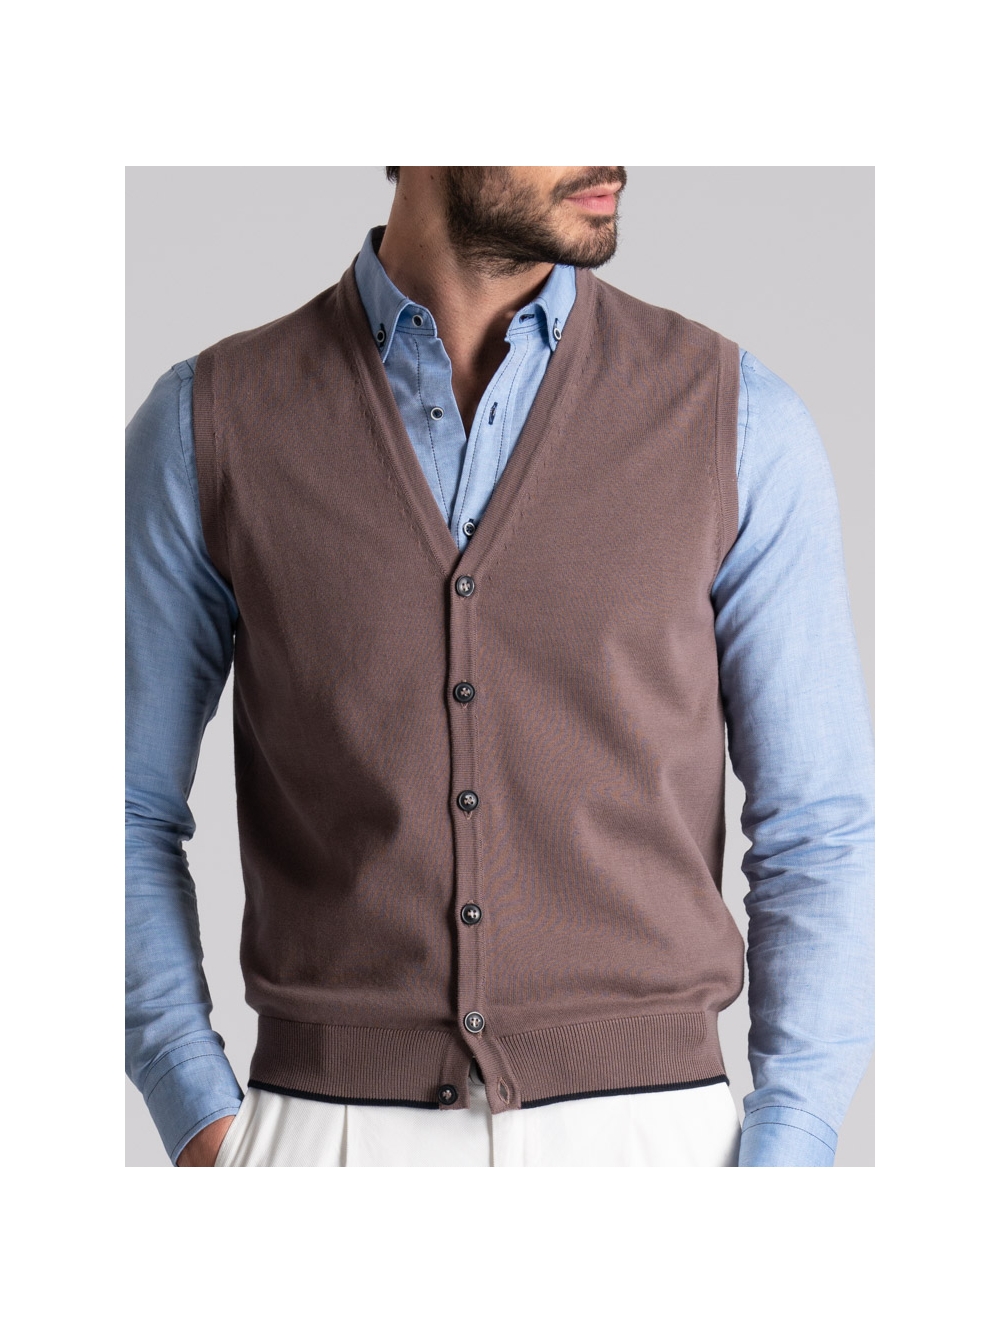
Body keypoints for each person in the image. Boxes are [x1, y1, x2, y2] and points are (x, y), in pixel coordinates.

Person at [125, 166, 874, 1168]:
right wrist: (201, 1119)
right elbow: (117, 805)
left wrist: (790, 1156)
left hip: (656, 1145)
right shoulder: (210, 422)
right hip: (325, 1137)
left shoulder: (735, 419)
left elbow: (818, 827)